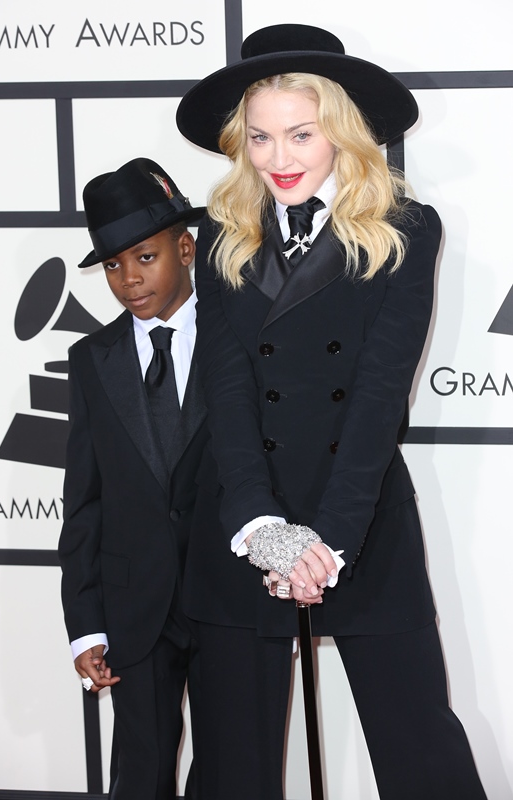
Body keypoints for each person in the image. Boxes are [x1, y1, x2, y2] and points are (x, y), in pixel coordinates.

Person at [176, 23, 488, 800]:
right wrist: (265, 530)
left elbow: (380, 398)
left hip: (361, 515)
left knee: (421, 753)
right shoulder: (218, 235)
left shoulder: (406, 230)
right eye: (259, 137)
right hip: (241, 522)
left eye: (301, 134)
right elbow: (226, 390)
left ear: (342, 132)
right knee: (233, 764)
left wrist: (326, 543)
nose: (278, 158)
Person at [58, 157, 206, 800]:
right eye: (114, 266)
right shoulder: (91, 359)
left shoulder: (243, 339)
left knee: (234, 770)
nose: (129, 279)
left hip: (230, 600)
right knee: (139, 773)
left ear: (185, 248)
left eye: (145, 257)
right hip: (132, 610)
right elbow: (84, 500)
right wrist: (86, 623)